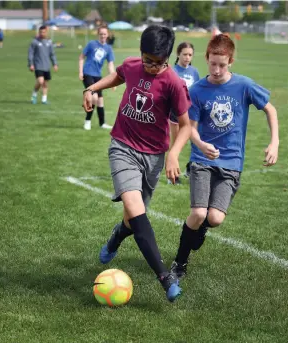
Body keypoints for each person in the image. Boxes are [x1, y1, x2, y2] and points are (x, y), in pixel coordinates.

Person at [82, 25, 191, 302]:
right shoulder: (132, 66)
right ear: (140, 53)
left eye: (159, 63)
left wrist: (173, 155)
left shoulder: (174, 83)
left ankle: (117, 237)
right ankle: (165, 278)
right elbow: (117, 76)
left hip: (153, 156)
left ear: (168, 57)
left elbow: (186, 125)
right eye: (147, 61)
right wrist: (91, 88)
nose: (152, 67)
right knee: (135, 208)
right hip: (122, 147)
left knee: (132, 219)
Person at [170, 34, 279, 278]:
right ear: (206, 58)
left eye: (222, 64)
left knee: (215, 218)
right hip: (202, 159)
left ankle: (195, 231)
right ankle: (179, 263)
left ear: (231, 61)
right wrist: (201, 143)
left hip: (231, 162)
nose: (217, 69)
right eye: (212, 64)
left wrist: (274, 142)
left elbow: (270, 110)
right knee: (198, 213)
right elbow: (190, 128)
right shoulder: (197, 90)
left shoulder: (244, 85)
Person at [169, 42, 200, 184]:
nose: (187, 57)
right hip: (176, 112)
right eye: (185, 54)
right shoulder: (172, 71)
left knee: (195, 141)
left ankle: (190, 167)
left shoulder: (194, 72)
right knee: (176, 144)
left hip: (192, 112)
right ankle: (172, 177)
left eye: (190, 55)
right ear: (178, 54)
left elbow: (199, 92)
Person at [79, 26, 115, 130]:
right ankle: (87, 121)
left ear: (107, 35)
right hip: (88, 73)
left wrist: (113, 79)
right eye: (101, 34)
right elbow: (81, 57)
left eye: (104, 34)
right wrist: (80, 71)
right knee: (93, 98)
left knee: (100, 100)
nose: (103, 36)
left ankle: (102, 123)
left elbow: (110, 64)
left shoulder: (108, 48)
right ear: (98, 34)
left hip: (98, 76)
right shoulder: (91, 44)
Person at [28, 26, 58, 105]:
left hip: (46, 66)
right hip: (38, 65)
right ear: (39, 32)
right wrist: (31, 64)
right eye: (41, 32)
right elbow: (30, 54)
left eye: (44, 32)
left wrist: (55, 64)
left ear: (46, 32)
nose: (42, 33)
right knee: (40, 81)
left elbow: (52, 54)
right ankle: (34, 95)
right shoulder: (34, 42)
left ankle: (44, 100)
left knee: (45, 83)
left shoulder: (49, 42)